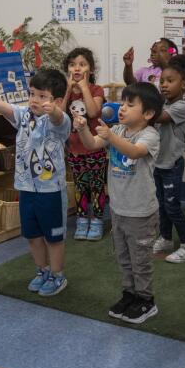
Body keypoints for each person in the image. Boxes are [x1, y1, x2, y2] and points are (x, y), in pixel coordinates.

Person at [0, 69, 71, 297]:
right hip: (25, 188)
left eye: (42, 96)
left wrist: (54, 111)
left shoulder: (59, 122)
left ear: (58, 101)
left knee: (54, 237)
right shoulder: (25, 115)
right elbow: (6, 108)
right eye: (32, 93)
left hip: (50, 191)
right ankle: (42, 270)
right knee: (32, 235)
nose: (35, 100)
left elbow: (59, 119)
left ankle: (57, 275)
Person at [75, 82, 163, 323]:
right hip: (118, 209)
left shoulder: (150, 135)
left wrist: (111, 135)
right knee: (123, 257)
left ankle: (146, 300)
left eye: (130, 105)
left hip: (141, 212)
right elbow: (91, 144)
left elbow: (135, 152)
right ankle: (129, 294)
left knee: (140, 259)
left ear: (147, 114)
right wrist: (83, 128)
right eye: (122, 103)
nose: (122, 108)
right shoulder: (119, 130)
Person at [151, 55, 185, 263]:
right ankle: (166, 237)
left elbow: (159, 117)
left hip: (172, 165)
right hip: (158, 164)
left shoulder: (181, 106)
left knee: (172, 206)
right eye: (162, 81)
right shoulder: (163, 103)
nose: (164, 85)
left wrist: (142, 104)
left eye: (170, 81)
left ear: (184, 85)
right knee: (161, 204)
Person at [60, 47, 107, 241]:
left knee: (96, 185)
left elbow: (94, 112)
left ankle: (96, 220)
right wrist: (69, 90)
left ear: (91, 69)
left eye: (82, 64)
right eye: (72, 65)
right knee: (80, 186)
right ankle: (81, 220)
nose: (77, 68)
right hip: (75, 150)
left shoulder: (96, 90)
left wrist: (85, 87)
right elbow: (60, 115)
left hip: (94, 148)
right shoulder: (67, 91)